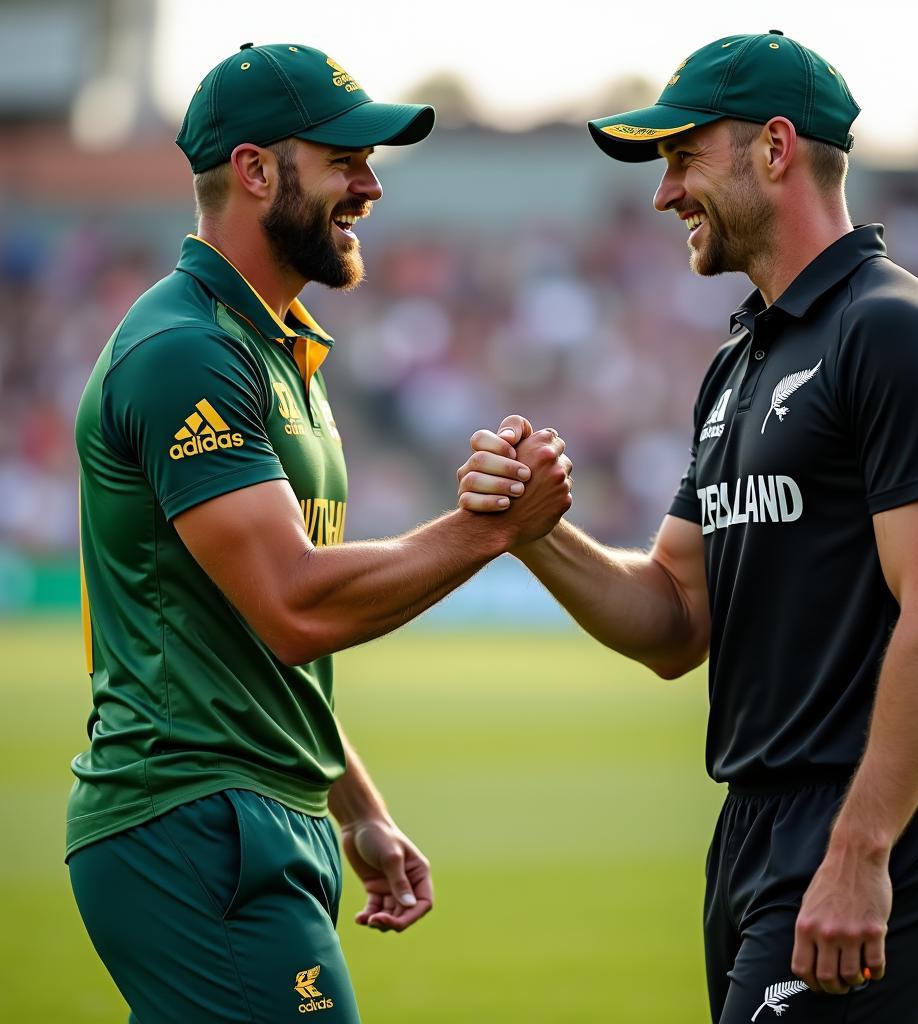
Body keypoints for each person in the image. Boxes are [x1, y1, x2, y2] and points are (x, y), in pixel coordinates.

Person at [458, 30, 918, 1024]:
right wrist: (535, 532)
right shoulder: (741, 360)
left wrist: (859, 850)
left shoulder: (890, 330)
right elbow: (673, 618)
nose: (663, 195)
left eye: (681, 158)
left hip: (864, 817)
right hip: (755, 826)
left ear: (775, 149)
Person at [68, 42, 572, 1024]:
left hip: (250, 812)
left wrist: (357, 808)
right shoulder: (187, 352)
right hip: (190, 816)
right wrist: (492, 531)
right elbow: (293, 604)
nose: (370, 184)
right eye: (344, 158)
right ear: (255, 170)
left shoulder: (275, 350)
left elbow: (255, 643)